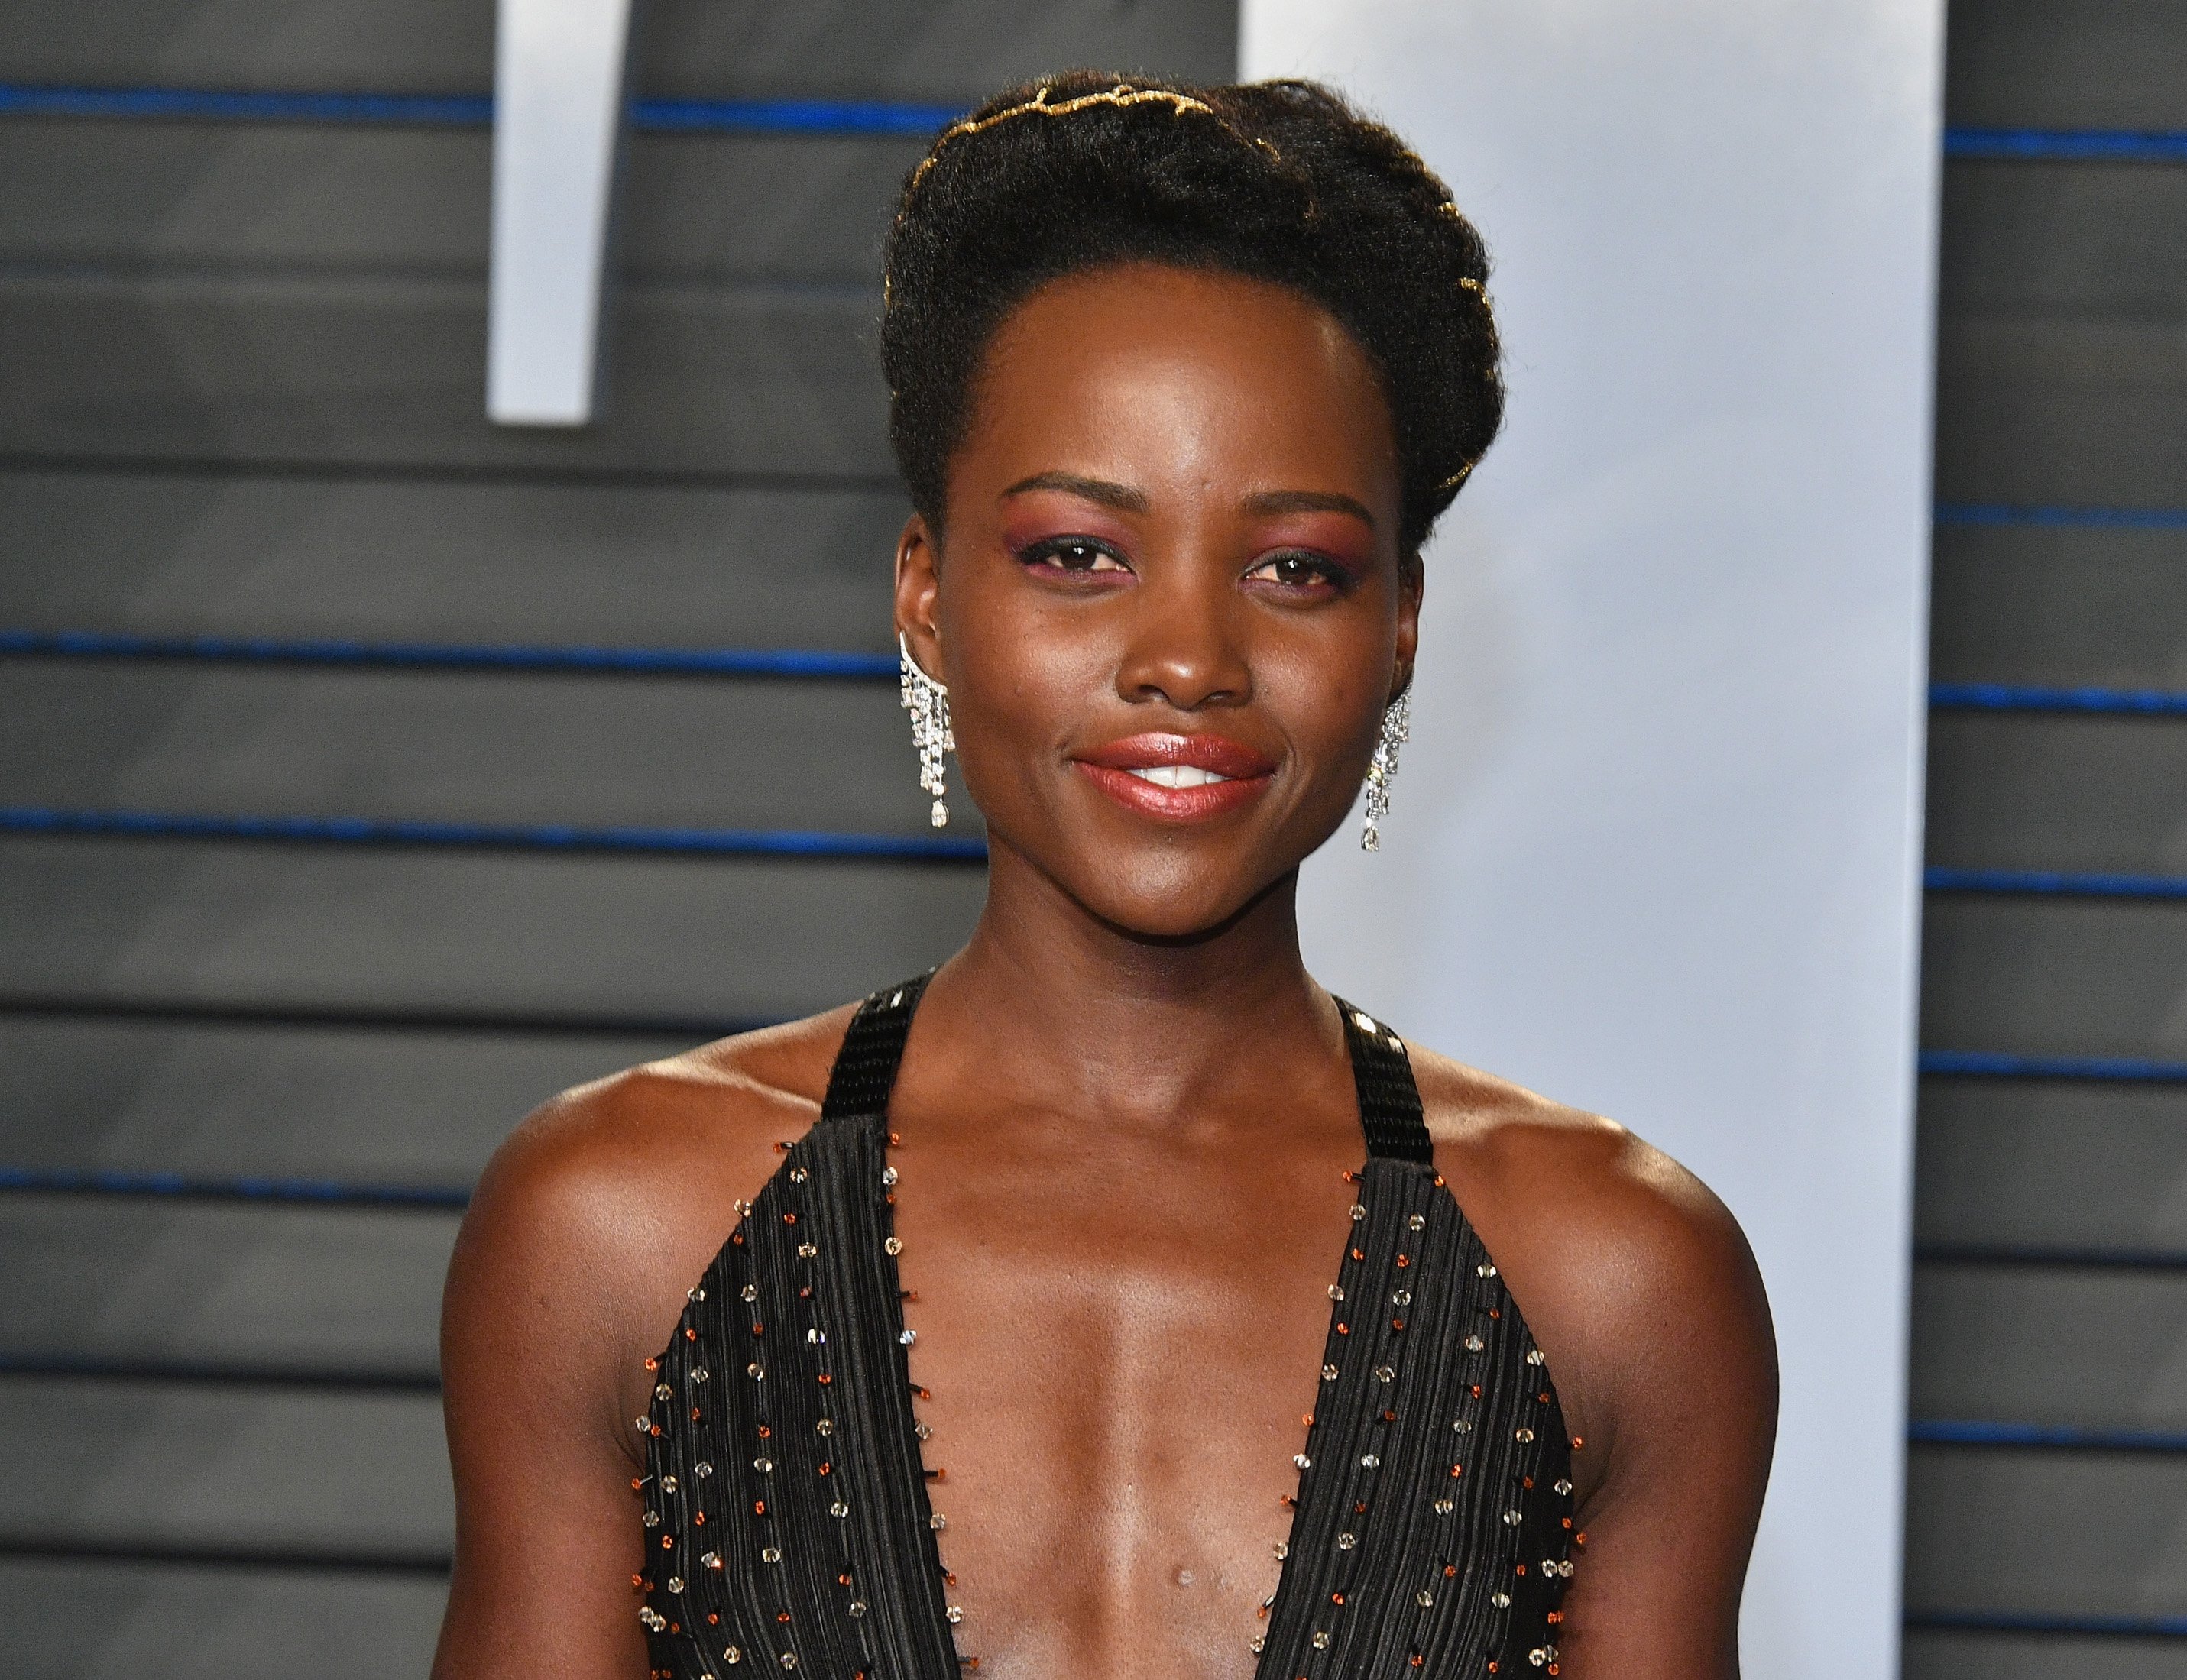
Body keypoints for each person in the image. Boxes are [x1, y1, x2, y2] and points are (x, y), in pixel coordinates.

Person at [432, 71, 1777, 1680]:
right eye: (1080, 552)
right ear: (926, 593)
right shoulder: (616, 1228)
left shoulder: (1616, 1277)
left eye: (1297, 568)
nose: (1189, 658)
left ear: (1399, 626)